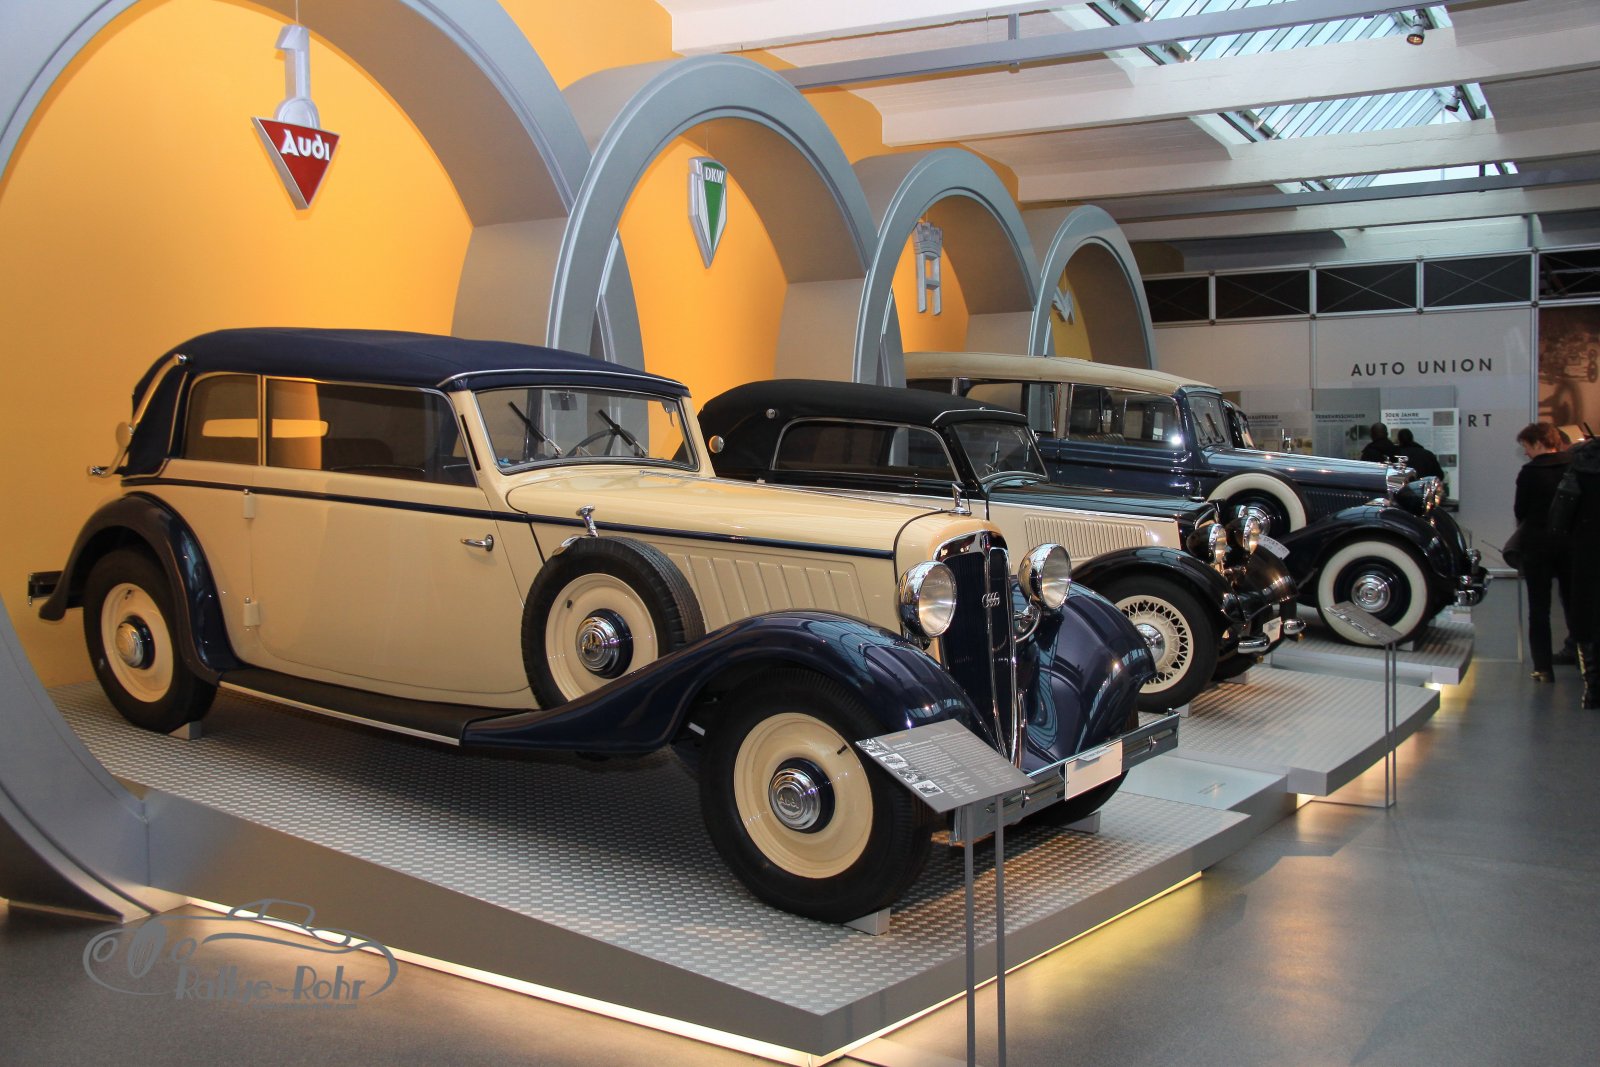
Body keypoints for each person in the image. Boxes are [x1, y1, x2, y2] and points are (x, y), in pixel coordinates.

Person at [1514, 423, 1573, 682]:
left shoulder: (1529, 473)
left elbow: (1520, 511)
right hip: (1570, 546)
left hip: (1537, 547)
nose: (1525, 452)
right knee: (1575, 604)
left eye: (1526, 446)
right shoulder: (1574, 467)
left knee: (1539, 609)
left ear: (1538, 443)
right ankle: (1585, 661)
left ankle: (1543, 667)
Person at [1551, 431, 1600, 707]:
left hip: (1587, 551)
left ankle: (1593, 688)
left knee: (1587, 618)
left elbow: (1560, 516)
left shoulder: (1580, 465)